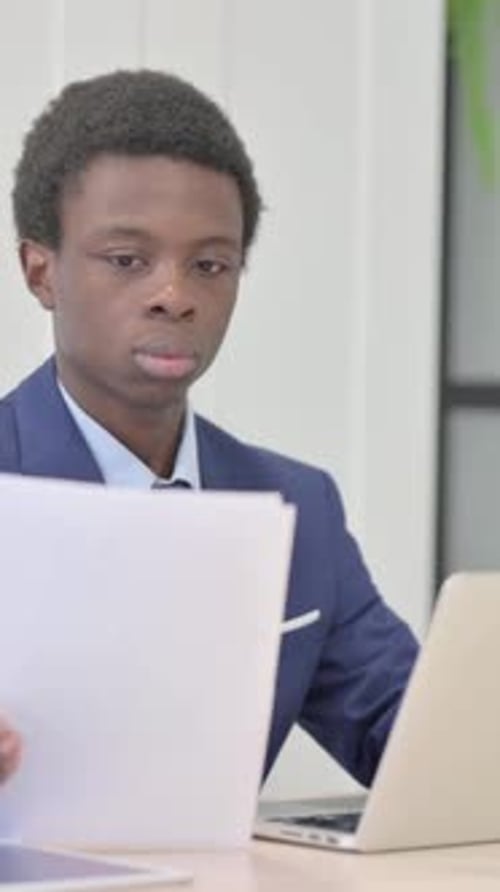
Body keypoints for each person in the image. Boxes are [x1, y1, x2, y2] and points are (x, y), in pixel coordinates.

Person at [0, 69, 418, 788]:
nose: (175, 295)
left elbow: (413, 741)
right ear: (41, 272)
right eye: (128, 260)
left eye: (210, 265)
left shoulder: (296, 510)